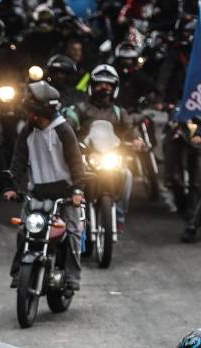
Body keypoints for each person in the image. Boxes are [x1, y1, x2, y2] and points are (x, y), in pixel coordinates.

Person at [3, 81, 85, 291]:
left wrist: (77, 190)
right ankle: (18, 272)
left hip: (64, 194)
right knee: (24, 231)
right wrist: (12, 186)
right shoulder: (28, 132)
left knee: (73, 233)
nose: (31, 116)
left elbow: (76, 163)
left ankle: (72, 277)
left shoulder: (63, 130)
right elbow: (18, 161)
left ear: (43, 112)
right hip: (37, 192)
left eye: (33, 112)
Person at [64, 64, 140, 230]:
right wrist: (69, 140)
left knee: (126, 175)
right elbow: (67, 126)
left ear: (114, 88)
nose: (103, 88)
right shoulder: (79, 108)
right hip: (85, 157)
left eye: (108, 85)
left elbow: (130, 129)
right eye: (99, 84)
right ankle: (68, 215)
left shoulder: (119, 112)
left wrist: (136, 140)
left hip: (110, 156)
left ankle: (119, 216)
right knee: (68, 177)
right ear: (92, 86)